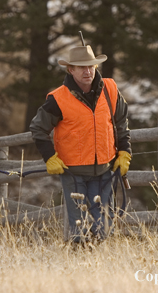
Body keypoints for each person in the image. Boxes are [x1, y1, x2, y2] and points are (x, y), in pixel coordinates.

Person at [29, 43, 131, 243]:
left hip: (104, 170)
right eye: (81, 67)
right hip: (73, 172)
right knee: (79, 228)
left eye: (91, 66)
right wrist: (50, 157)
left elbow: (121, 122)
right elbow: (38, 129)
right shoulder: (58, 99)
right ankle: (78, 264)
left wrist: (125, 152)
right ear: (70, 70)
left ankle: (96, 267)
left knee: (102, 226)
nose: (87, 71)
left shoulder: (110, 90)